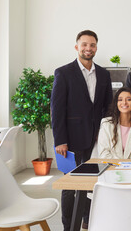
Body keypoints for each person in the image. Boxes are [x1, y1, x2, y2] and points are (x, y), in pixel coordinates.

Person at [51, 30, 112, 231]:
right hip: (70, 140)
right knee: (70, 185)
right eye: (84, 44)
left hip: (94, 138)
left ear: (96, 47)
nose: (88, 48)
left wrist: (104, 133)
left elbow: (107, 106)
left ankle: (86, 219)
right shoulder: (64, 72)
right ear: (77, 47)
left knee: (89, 180)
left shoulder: (104, 73)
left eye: (92, 45)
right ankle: (69, 226)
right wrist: (60, 140)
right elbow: (57, 109)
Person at [97, 87, 131, 159]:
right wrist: (120, 166)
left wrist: (126, 168)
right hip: (110, 167)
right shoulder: (106, 124)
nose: (124, 103)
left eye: (128, 99)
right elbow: (103, 154)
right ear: (116, 103)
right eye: (120, 100)